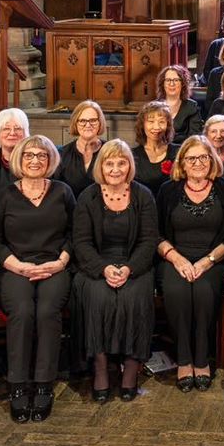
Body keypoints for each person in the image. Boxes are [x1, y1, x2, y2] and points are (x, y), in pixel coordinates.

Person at [0, 135, 75, 423]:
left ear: (50, 160)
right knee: (23, 310)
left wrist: (60, 261)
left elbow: (75, 233)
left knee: (47, 311)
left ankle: (43, 384)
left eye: (42, 155)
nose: (35, 160)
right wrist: (18, 266)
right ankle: (17, 384)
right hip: (15, 267)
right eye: (29, 155)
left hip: (54, 266)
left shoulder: (63, 192)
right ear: (20, 160)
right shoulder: (4, 195)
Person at [73, 139, 158, 403]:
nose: (115, 169)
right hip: (96, 264)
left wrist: (130, 268)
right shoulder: (88, 197)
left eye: (122, 163)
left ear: (130, 166)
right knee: (98, 297)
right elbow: (81, 242)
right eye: (109, 163)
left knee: (135, 296)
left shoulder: (143, 195)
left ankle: (131, 367)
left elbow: (149, 240)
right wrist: (103, 268)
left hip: (135, 264)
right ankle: (100, 367)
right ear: (101, 166)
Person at [156, 136, 224, 395]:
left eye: (203, 157)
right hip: (174, 259)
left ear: (212, 160)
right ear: (182, 163)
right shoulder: (168, 190)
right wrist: (176, 258)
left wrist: (207, 261)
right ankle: (183, 359)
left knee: (203, 291)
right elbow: (155, 234)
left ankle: (202, 359)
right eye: (191, 158)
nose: (198, 163)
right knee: (176, 291)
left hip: (213, 260)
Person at [130, 101, 181, 197]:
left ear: (168, 125)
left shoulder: (178, 152)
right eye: (151, 121)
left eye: (161, 122)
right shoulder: (132, 155)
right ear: (142, 125)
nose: (156, 127)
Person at [57, 100, 106, 197]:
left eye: (93, 120)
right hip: (72, 205)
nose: (88, 125)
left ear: (100, 122)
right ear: (75, 123)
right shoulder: (62, 154)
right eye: (82, 121)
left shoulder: (110, 152)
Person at [159, 66, 203, 143]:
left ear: (183, 83)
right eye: (168, 80)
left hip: (184, 148)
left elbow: (194, 137)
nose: (171, 84)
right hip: (159, 147)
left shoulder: (191, 106)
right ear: (163, 83)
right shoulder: (154, 107)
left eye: (176, 80)